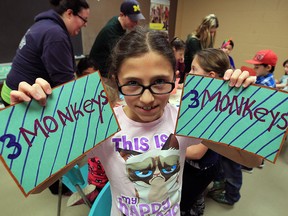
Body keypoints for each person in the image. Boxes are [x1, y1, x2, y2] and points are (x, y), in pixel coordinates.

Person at [10, 27, 261, 216]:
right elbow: (37, 186)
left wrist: (233, 106)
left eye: (160, 81)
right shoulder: (101, 126)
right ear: (116, 80)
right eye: (132, 83)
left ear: (175, 77)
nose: (148, 98)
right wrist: (32, 120)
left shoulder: (185, 118)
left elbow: (253, 160)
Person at [1, 0, 90, 106]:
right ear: (70, 13)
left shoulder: (45, 24)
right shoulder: (55, 35)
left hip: (10, 90)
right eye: (84, 20)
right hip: (20, 98)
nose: (85, 25)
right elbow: (66, 84)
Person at [89, 0, 145, 79]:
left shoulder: (119, 23)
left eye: (137, 19)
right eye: (133, 19)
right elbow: (118, 58)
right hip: (100, 74)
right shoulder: (111, 31)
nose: (136, 23)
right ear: (122, 15)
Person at [243, 49, 278, 173]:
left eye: (257, 67)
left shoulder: (265, 86)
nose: (254, 68)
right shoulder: (262, 79)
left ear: (268, 67)